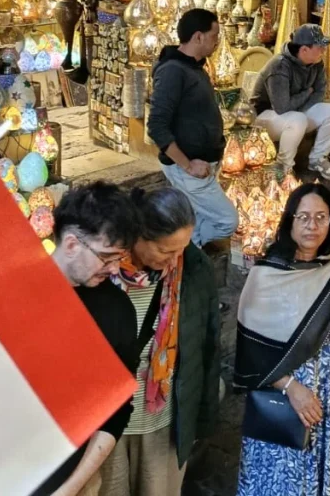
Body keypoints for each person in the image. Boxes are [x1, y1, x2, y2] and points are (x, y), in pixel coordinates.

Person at [235, 183, 330, 496]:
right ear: (290, 221)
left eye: (321, 217)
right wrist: (291, 388)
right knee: (285, 473)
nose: (313, 226)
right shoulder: (267, 275)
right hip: (286, 393)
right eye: (304, 217)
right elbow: (251, 349)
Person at [98, 188, 221, 496]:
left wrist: (201, 421)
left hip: (161, 422)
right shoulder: (99, 270)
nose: (174, 259)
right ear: (139, 235)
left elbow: (207, 347)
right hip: (106, 423)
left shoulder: (193, 270)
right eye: (166, 250)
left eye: (182, 249)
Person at [32, 183, 140, 496]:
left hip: (75, 479)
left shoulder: (117, 311)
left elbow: (117, 409)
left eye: (120, 257)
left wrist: (71, 488)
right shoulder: (17, 292)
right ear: (70, 244)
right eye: (106, 257)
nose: (115, 269)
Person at [148, 8, 238, 248]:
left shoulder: (193, 67)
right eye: (214, 35)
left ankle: (189, 255)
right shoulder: (172, 71)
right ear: (198, 36)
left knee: (194, 221)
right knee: (227, 220)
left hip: (201, 165)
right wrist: (187, 164)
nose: (217, 42)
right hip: (190, 167)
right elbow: (156, 126)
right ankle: (187, 250)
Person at [251, 23, 330, 181]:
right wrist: (307, 92)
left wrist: (302, 102)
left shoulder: (316, 63)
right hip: (264, 117)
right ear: (304, 50)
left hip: (293, 113)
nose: (323, 50)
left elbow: (319, 93)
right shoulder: (279, 65)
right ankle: (283, 168)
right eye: (319, 47)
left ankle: (318, 159)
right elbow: (281, 107)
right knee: (298, 119)